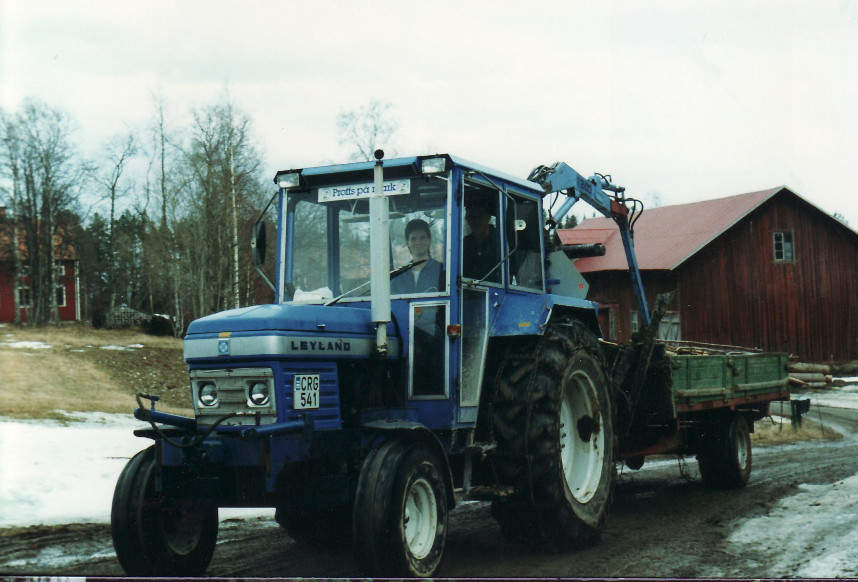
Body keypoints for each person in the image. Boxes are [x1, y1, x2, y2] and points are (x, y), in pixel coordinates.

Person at [391, 219, 444, 294]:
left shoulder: (442, 272)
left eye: (422, 238)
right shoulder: (398, 278)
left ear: (429, 240)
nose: (418, 242)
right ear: (408, 243)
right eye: (413, 239)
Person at [462, 198, 499, 281]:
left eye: (480, 216)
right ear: (467, 220)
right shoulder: (464, 244)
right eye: (472, 216)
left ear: (488, 218)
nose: (476, 221)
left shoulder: (501, 241)